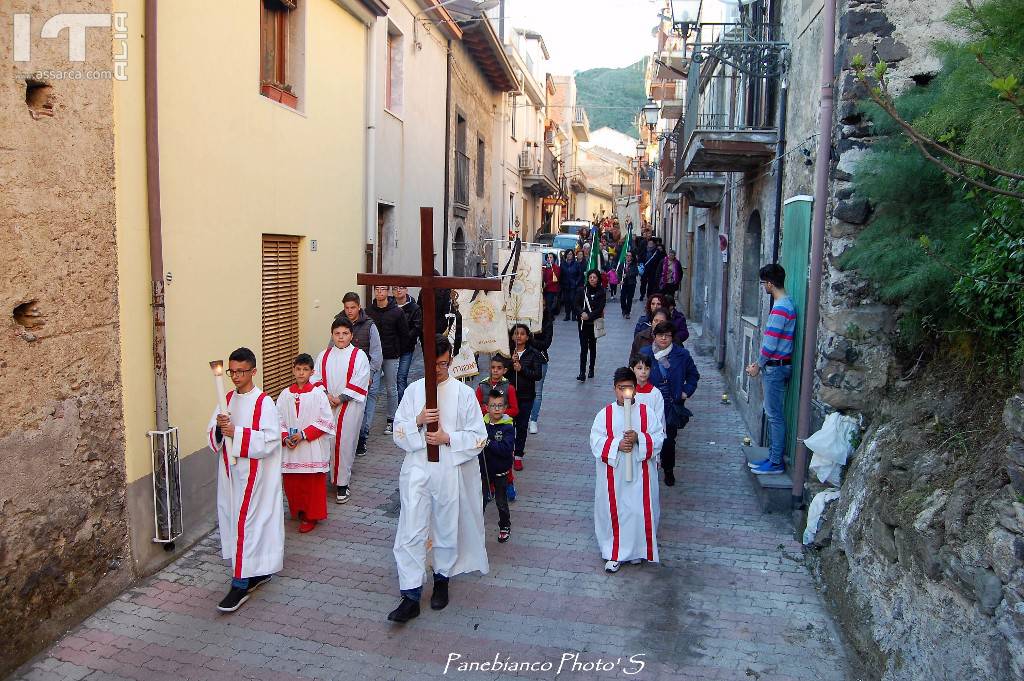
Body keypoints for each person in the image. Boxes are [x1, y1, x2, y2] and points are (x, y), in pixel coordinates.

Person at [388, 335, 489, 624]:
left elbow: (479, 438)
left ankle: (442, 579)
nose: (439, 370)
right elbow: (398, 432)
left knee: (446, 524)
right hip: (417, 466)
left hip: (447, 468)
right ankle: (410, 594)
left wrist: (448, 438)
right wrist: (417, 421)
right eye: (434, 365)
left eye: (444, 364)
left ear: (451, 359)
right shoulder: (413, 391)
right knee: (410, 527)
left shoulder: (463, 394)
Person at [206, 347, 283, 613]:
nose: (235, 377)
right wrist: (219, 428)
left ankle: (239, 584)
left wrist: (235, 432)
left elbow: (271, 440)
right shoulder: (226, 398)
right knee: (236, 523)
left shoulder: (264, 402)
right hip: (231, 477)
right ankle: (256, 572)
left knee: (247, 526)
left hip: (256, 476)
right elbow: (213, 434)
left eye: (240, 371)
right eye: (231, 371)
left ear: (253, 371)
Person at [589, 367, 666, 573]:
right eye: (621, 388)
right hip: (614, 477)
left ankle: (636, 551)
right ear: (614, 389)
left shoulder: (646, 413)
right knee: (616, 512)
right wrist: (617, 445)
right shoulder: (604, 415)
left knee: (638, 511)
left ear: (635, 390)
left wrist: (639, 439)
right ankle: (615, 553)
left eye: (629, 388)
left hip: (641, 475)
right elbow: (595, 442)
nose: (625, 393)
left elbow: (659, 438)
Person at [313, 316, 372, 504]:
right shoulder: (324, 355)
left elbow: (360, 380)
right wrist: (326, 394)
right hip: (327, 405)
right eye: (337, 333)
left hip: (349, 406)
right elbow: (315, 377)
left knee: (344, 443)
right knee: (324, 442)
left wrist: (340, 398)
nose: (341, 337)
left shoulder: (359, 355)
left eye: (345, 333)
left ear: (351, 335)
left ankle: (342, 485)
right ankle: (322, 480)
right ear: (332, 335)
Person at [746, 264, 797, 476]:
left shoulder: (780, 308)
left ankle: (776, 461)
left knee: (774, 415)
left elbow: (770, 344)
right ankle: (773, 457)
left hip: (776, 368)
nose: (763, 287)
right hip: (779, 366)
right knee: (774, 413)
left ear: (769, 283)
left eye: (763, 284)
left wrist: (758, 365)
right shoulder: (787, 303)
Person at [277, 353, 335, 533]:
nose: (301, 373)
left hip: (311, 447)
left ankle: (312, 515)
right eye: (298, 369)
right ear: (293, 370)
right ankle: (298, 510)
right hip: (291, 447)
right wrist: (285, 435)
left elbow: (326, 420)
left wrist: (303, 434)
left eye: (305, 370)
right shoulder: (285, 394)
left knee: (311, 483)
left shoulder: (318, 394)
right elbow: (276, 418)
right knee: (293, 482)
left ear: (312, 372)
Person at [641, 322, 700, 487]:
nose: (664, 338)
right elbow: (635, 372)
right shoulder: (646, 353)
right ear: (654, 336)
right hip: (649, 401)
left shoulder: (682, 354)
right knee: (647, 436)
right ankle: (646, 468)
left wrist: (686, 391)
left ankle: (668, 470)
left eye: (667, 335)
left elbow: (693, 375)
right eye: (660, 335)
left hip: (670, 403)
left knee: (668, 440)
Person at [335, 292, 382, 458]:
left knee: (366, 404)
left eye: (352, 307)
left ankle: (363, 435)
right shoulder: (339, 323)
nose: (349, 311)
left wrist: (370, 374)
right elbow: (331, 348)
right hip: (346, 374)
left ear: (359, 307)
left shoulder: (369, 325)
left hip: (367, 371)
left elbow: (376, 353)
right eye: (346, 308)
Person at [367, 285, 410, 436]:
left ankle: (392, 420)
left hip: (391, 355)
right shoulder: (369, 312)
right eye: (377, 289)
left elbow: (404, 334)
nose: (379, 292)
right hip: (374, 357)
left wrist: (398, 351)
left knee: (391, 389)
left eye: (382, 289)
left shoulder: (397, 312)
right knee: (372, 390)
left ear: (388, 292)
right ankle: (367, 423)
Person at [481, 390, 515, 543]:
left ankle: (504, 526)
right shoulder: (482, 423)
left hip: (501, 471)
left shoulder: (508, 427)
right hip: (484, 471)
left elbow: (506, 449)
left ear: (505, 407)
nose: (496, 409)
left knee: (501, 502)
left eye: (500, 406)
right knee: (480, 500)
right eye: (493, 406)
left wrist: (488, 443)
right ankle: (476, 527)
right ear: (487, 407)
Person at [508, 323, 543, 471]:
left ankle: (518, 456)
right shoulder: (507, 352)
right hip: (509, 397)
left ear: (527, 337)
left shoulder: (533, 353)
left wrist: (521, 368)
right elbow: (501, 372)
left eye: (522, 333)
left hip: (526, 397)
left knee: (521, 427)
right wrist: (510, 363)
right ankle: (507, 452)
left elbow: (537, 375)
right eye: (516, 333)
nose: (519, 336)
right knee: (508, 426)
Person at [528, 298, 555, 434]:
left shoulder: (547, 322)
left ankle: (533, 420)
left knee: (537, 392)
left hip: (540, 359)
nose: (541, 308)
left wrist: (531, 340)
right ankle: (525, 417)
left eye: (543, 305)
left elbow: (546, 343)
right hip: (524, 360)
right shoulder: (526, 320)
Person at [392, 285, 422, 405]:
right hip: (391, 349)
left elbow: (417, 327)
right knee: (392, 380)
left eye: (401, 288)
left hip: (406, 348)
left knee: (401, 377)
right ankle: (394, 409)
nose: (398, 290)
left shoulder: (414, 308)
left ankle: (402, 406)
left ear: (406, 290)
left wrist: (405, 338)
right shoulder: (389, 306)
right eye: (395, 288)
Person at [576, 270, 607, 382]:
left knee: (592, 347)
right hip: (583, 324)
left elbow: (600, 308)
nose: (592, 279)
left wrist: (589, 316)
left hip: (593, 323)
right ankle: (582, 372)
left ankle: (591, 369)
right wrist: (581, 313)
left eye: (594, 277)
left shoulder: (602, 291)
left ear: (598, 278)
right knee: (583, 348)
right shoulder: (582, 290)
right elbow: (576, 304)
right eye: (590, 277)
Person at [629, 353, 665, 427]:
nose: (643, 371)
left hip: (650, 432)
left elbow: (659, 417)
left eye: (647, 368)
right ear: (632, 370)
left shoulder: (655, 393)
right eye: (639, 368)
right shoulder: (627, 392)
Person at [561, 250, 582, 322]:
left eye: (571, 254)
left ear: (573, 255)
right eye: (568, 254)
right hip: (565, 285)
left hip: (573, 286)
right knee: (566, 301)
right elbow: (561, 275)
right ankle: (567, 315)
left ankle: (574, 315)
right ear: (566, 255)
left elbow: (580, 274)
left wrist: (576, 282)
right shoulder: (563, 264)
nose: (569, 256)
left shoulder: (576, 264)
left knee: (573, 301)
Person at [618, 251, 639, 319]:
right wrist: (620, 280)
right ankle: (623, 310)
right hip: (624, 283)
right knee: (622, 298)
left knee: (629, 298)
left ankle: (628, 312)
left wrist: (627, 275)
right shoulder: (622, 264)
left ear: (632, 257)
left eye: (629, 256)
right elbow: (618, 273)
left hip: (631, 283)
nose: (628, 257)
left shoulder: (634, 264)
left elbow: (635, 273)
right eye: (627, 255)